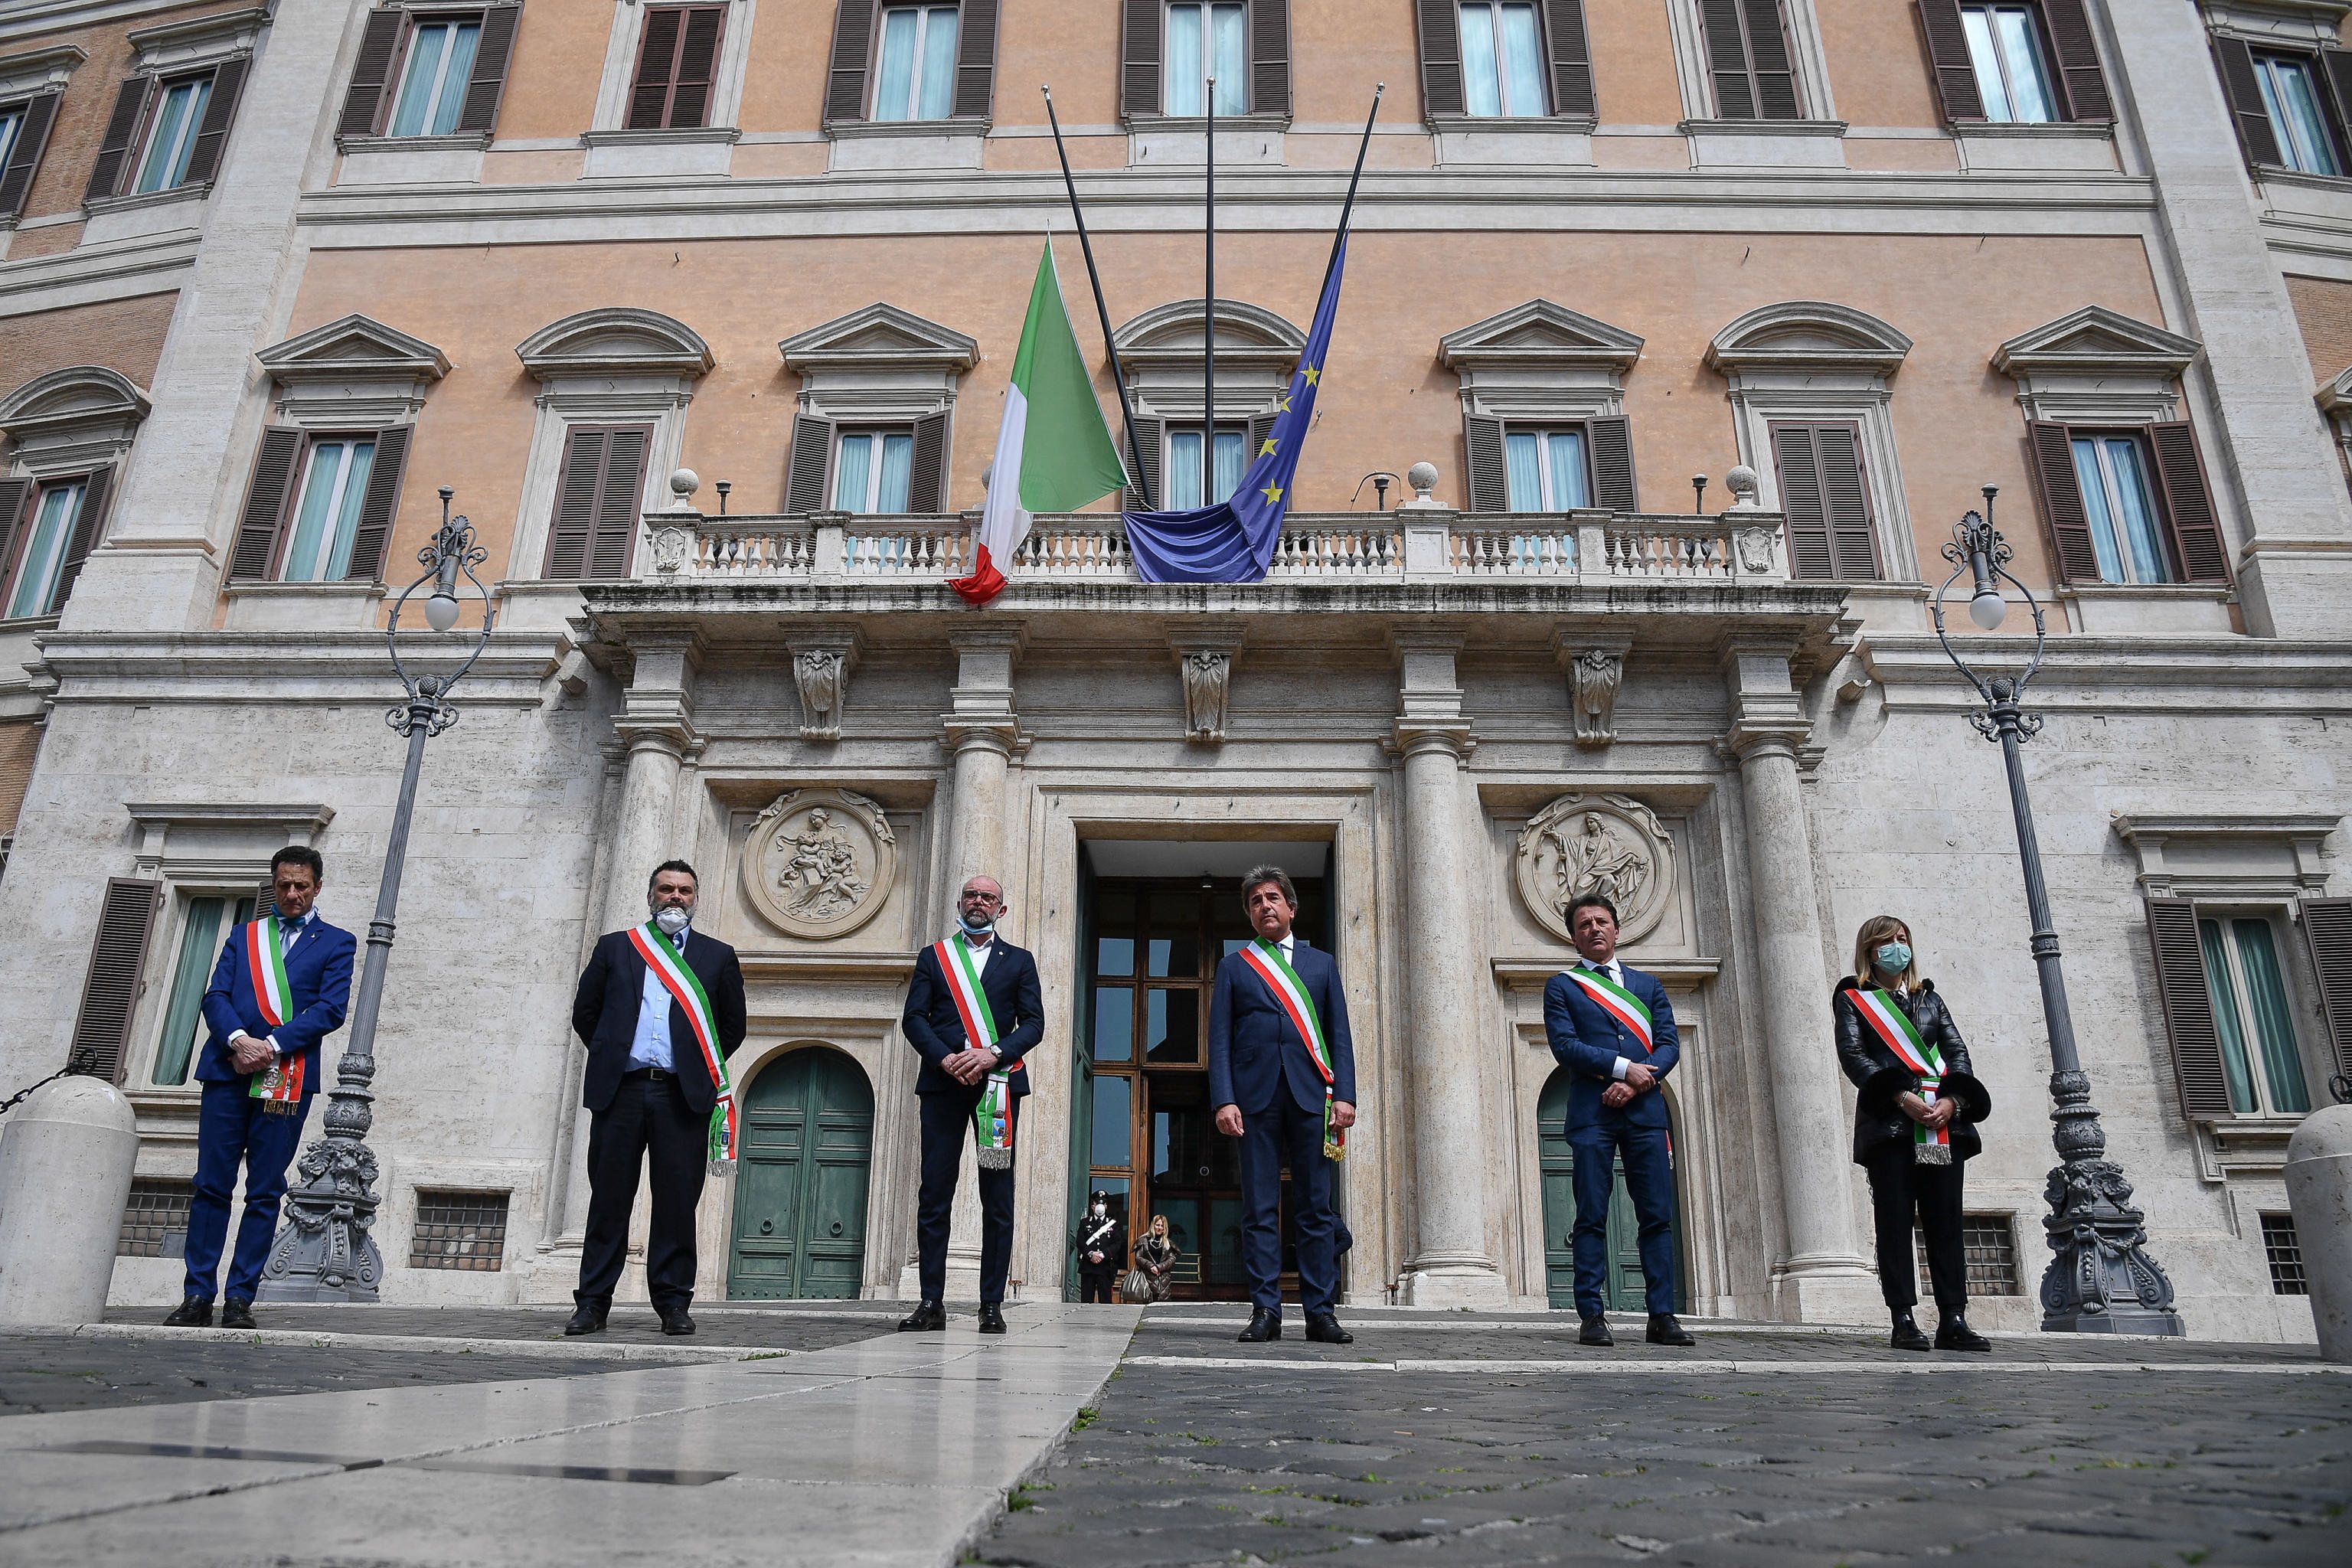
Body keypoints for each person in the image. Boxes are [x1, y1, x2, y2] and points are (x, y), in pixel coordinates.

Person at [168, 847, 356, 1329]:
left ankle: (239, 1300)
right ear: (272, 886)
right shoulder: (244, 936)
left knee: (265, 1190)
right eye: (282, 885)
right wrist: (237, 1039)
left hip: (284, 1075)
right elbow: (215, 996)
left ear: (317, 886)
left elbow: (329, 1011)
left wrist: (268, 1045)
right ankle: (196, 1294)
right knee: (211, 1185)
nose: (291, 894)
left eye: (301, 886)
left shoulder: (337, 943)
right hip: (228, 1069)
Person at [567, 861, 747, 1338]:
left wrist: (694, 1063)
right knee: (608, 1200)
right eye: (666, 889)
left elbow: (732, 1027)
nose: (675, 897)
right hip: (621, 1091)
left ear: (695, 898)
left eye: (684, 891)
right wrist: (612, 1052)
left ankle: (673, 1303)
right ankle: (591, 1304)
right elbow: (587, 1013)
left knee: (676, 1203)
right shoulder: (616, 948)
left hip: (682, 1096)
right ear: (650, 895)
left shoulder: (717, 956)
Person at [1208, 865, 1357, 1345]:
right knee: (1259, 1209)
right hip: (1254, 1102)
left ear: (1292, 908)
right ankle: (1265, 1311)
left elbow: (1339, 1035)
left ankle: (1320, 1312)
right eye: (1255, 901)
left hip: (1313, 1097)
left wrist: (1347, 1095)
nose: (1264, 906)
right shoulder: (1235, 967)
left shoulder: (1321, 965)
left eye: (1273, 898)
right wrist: (1224, 1099)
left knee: (1315, 1207)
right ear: (1249, 914)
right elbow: (1221, 1041)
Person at [1834, 916, 1994, 1354]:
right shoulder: (1854, 1000)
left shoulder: (1931, 1000)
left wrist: (1954, 1102)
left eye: (1902, 940)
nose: (1896, 948)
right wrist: (1901, 1097)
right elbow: (1854, 1056)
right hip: (1891, 1129)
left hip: (1943, 1127)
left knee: (1945, 1222)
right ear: (1870, 951)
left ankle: (1953, 1318)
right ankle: (1903, 1317)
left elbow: (1957, 1053)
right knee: (1895, 1223)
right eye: (1887, 942)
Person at [1544, 892, 1694, 1348]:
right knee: (1591, 1214)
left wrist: (1635, 1082)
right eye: (1585, 924)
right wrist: (1620, 1067)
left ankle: (1662, 1315)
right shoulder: (1562, 987)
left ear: (1616, 929)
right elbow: (1565, 1046)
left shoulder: (1647, 986)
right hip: (1592, 1114)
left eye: (1602, 921)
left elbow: (1668, 1043)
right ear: (1574, 937)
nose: (1594, 929)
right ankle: (1591, 1314)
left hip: (1645, 1113)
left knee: (1655, 1216)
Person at [898, 874, 1044, 1334]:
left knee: (996, 1198)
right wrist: (945, 1058)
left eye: (988, 897)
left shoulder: (1019, 961)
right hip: (944, 1085)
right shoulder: (934, 957)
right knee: (935, 1193)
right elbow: (914, 1018)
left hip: (997, 1087)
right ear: (960, 903)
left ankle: (991, 1304)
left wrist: (992, 1054)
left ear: (1001, 909)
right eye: (971, 895)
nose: (978, 902)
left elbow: (1034, 1024)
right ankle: (931, 1302)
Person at [1072, 1191, 1122, 1303]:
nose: (1100, 1206)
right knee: (1086, 1301)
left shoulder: (1113, 1224)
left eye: (1103, 1203)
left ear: (1106, 1206)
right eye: (1097, 1203)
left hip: (1105, 1267)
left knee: (1105, 1301)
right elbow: (1080, 1241)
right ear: (1092, 1206)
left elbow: (1118, 1243)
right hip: (1088, 1267)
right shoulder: (1085, 1222)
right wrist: (1091, 1254)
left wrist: (1103, 1254)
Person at [1132, 1214, 1179, 1304]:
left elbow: (1172, 1259)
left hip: (1163, 1281)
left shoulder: (1168, 1243)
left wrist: (1159, 1267)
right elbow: (1138, 1258)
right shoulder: (1143, 1241)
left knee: (1162, 1309)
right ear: (1153, 1225)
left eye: (1162, 1226)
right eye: (1157, 1225)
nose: (1160, 1228)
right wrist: (1151, 1266)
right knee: (1145, 1308)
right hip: (1146, 1280)